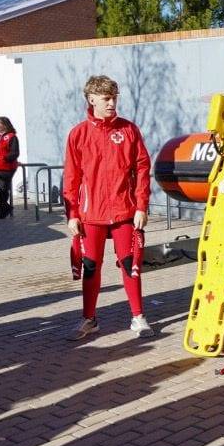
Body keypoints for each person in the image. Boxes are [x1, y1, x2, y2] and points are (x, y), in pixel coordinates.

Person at [62, 75, 152, 341]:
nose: (112, 103)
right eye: (106, 98)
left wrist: (141, 206)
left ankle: (138, 317)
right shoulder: (78, 133)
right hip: (92, 214)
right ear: (92, 100)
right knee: (91, 266)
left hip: (125, 210)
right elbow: (71, 177)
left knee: (130, 264)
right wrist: (72, 214)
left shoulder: (128, 130)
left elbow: (143, 168)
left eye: (114, 97)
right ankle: (89, 320)